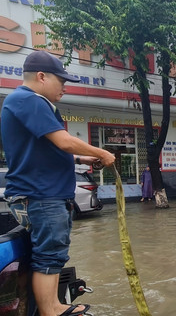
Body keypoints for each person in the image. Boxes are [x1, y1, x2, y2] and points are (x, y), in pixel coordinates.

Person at [1, 50, 115, 316]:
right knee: (49, 255)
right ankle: (50, 309)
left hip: (42, 192)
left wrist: (81, 158)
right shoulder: (28, 100)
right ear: (41, 77)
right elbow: (62, 140)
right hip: (41, 195)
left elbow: (48, 149)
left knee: (51, 252)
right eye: (60, 81)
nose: (64, 87)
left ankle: (51, 304)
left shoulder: (27, 102)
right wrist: (101, 153)